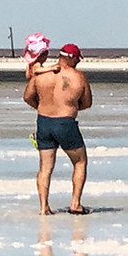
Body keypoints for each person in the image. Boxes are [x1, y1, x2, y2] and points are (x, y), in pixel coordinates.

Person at [23, 39, 92, 215]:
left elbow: (27, 96)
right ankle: (75, 204)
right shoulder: (78, 77)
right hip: (66, 123)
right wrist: (69, 106)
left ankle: (43, 207)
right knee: (80, 161)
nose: (78, 62)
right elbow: (87, 103)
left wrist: (42, 105)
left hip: (44, 122)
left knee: (45, 167)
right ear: (71, 58)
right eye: (77, 59)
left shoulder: (41, 74)